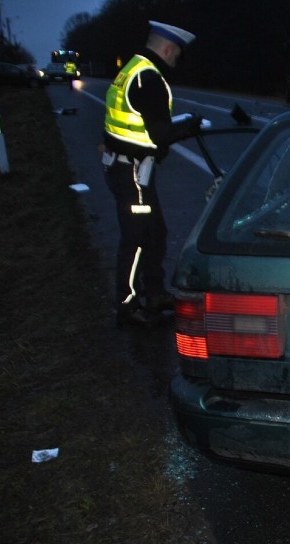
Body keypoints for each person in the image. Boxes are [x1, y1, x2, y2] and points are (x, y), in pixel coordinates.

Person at [102, 21, 204, 327]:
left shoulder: (132, 69)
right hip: (132, 172)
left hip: (129, 169)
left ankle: (155, 292)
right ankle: (127, 304)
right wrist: (190, 125)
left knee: (155, 233)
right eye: (177, 55)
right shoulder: (149, 79)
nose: (176, 62)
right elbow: (160, 134)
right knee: (136, 238)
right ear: (168, 48)